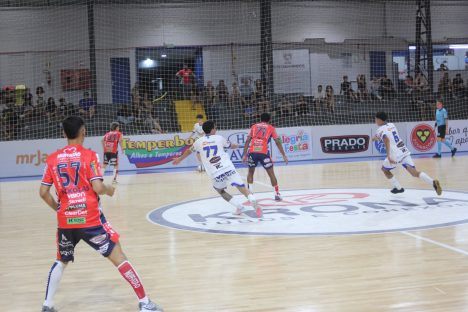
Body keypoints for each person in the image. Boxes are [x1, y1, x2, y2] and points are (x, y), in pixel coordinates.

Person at [39, 116, 162, 312]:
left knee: (61, 260)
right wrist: (110, 190)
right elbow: (97, 187)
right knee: (119, 255)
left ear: (63, 134)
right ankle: (145, 303)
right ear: (84, 132)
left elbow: (43, 193)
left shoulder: (52, 159)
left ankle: (47, 305)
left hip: (66, 221)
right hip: (90, 219)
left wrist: (59, 209)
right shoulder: (89, 156)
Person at [173, 120, 260, 217]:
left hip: (214, 172)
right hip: (227, 167)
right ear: (212, 129)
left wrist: (179, 159)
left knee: (220, 190)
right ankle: (253, 201)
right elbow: (231, 146)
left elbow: (189, 151)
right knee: (242, 187)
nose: (216, 129)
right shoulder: (219, 138)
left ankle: (239, 207)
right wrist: (237, 145)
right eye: (215, 127)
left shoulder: (198, 142)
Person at [373, 112, 442, 195]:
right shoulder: (391, 125)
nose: (375, 121)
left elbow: (386, 140)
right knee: (414, 173)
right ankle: (433, 182)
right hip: (403, 150)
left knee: (384, 169)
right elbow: (385, 136)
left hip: (395, 154)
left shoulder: (380, 130)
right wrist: (375, 138)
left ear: (380, 120)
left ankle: (398, 187)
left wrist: (388, 156)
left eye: (376, 119)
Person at [242, 113, 288, 201]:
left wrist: (244, 155)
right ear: (269, 120)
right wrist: (284, 155)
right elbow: (277, 142)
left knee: (250, 172)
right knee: (271, 174)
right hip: (263, 152)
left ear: (260, 118)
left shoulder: (254, 126)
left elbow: (247, 140)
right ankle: (277, 194)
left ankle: (250, 195)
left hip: (253, 152)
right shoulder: (271, 128)